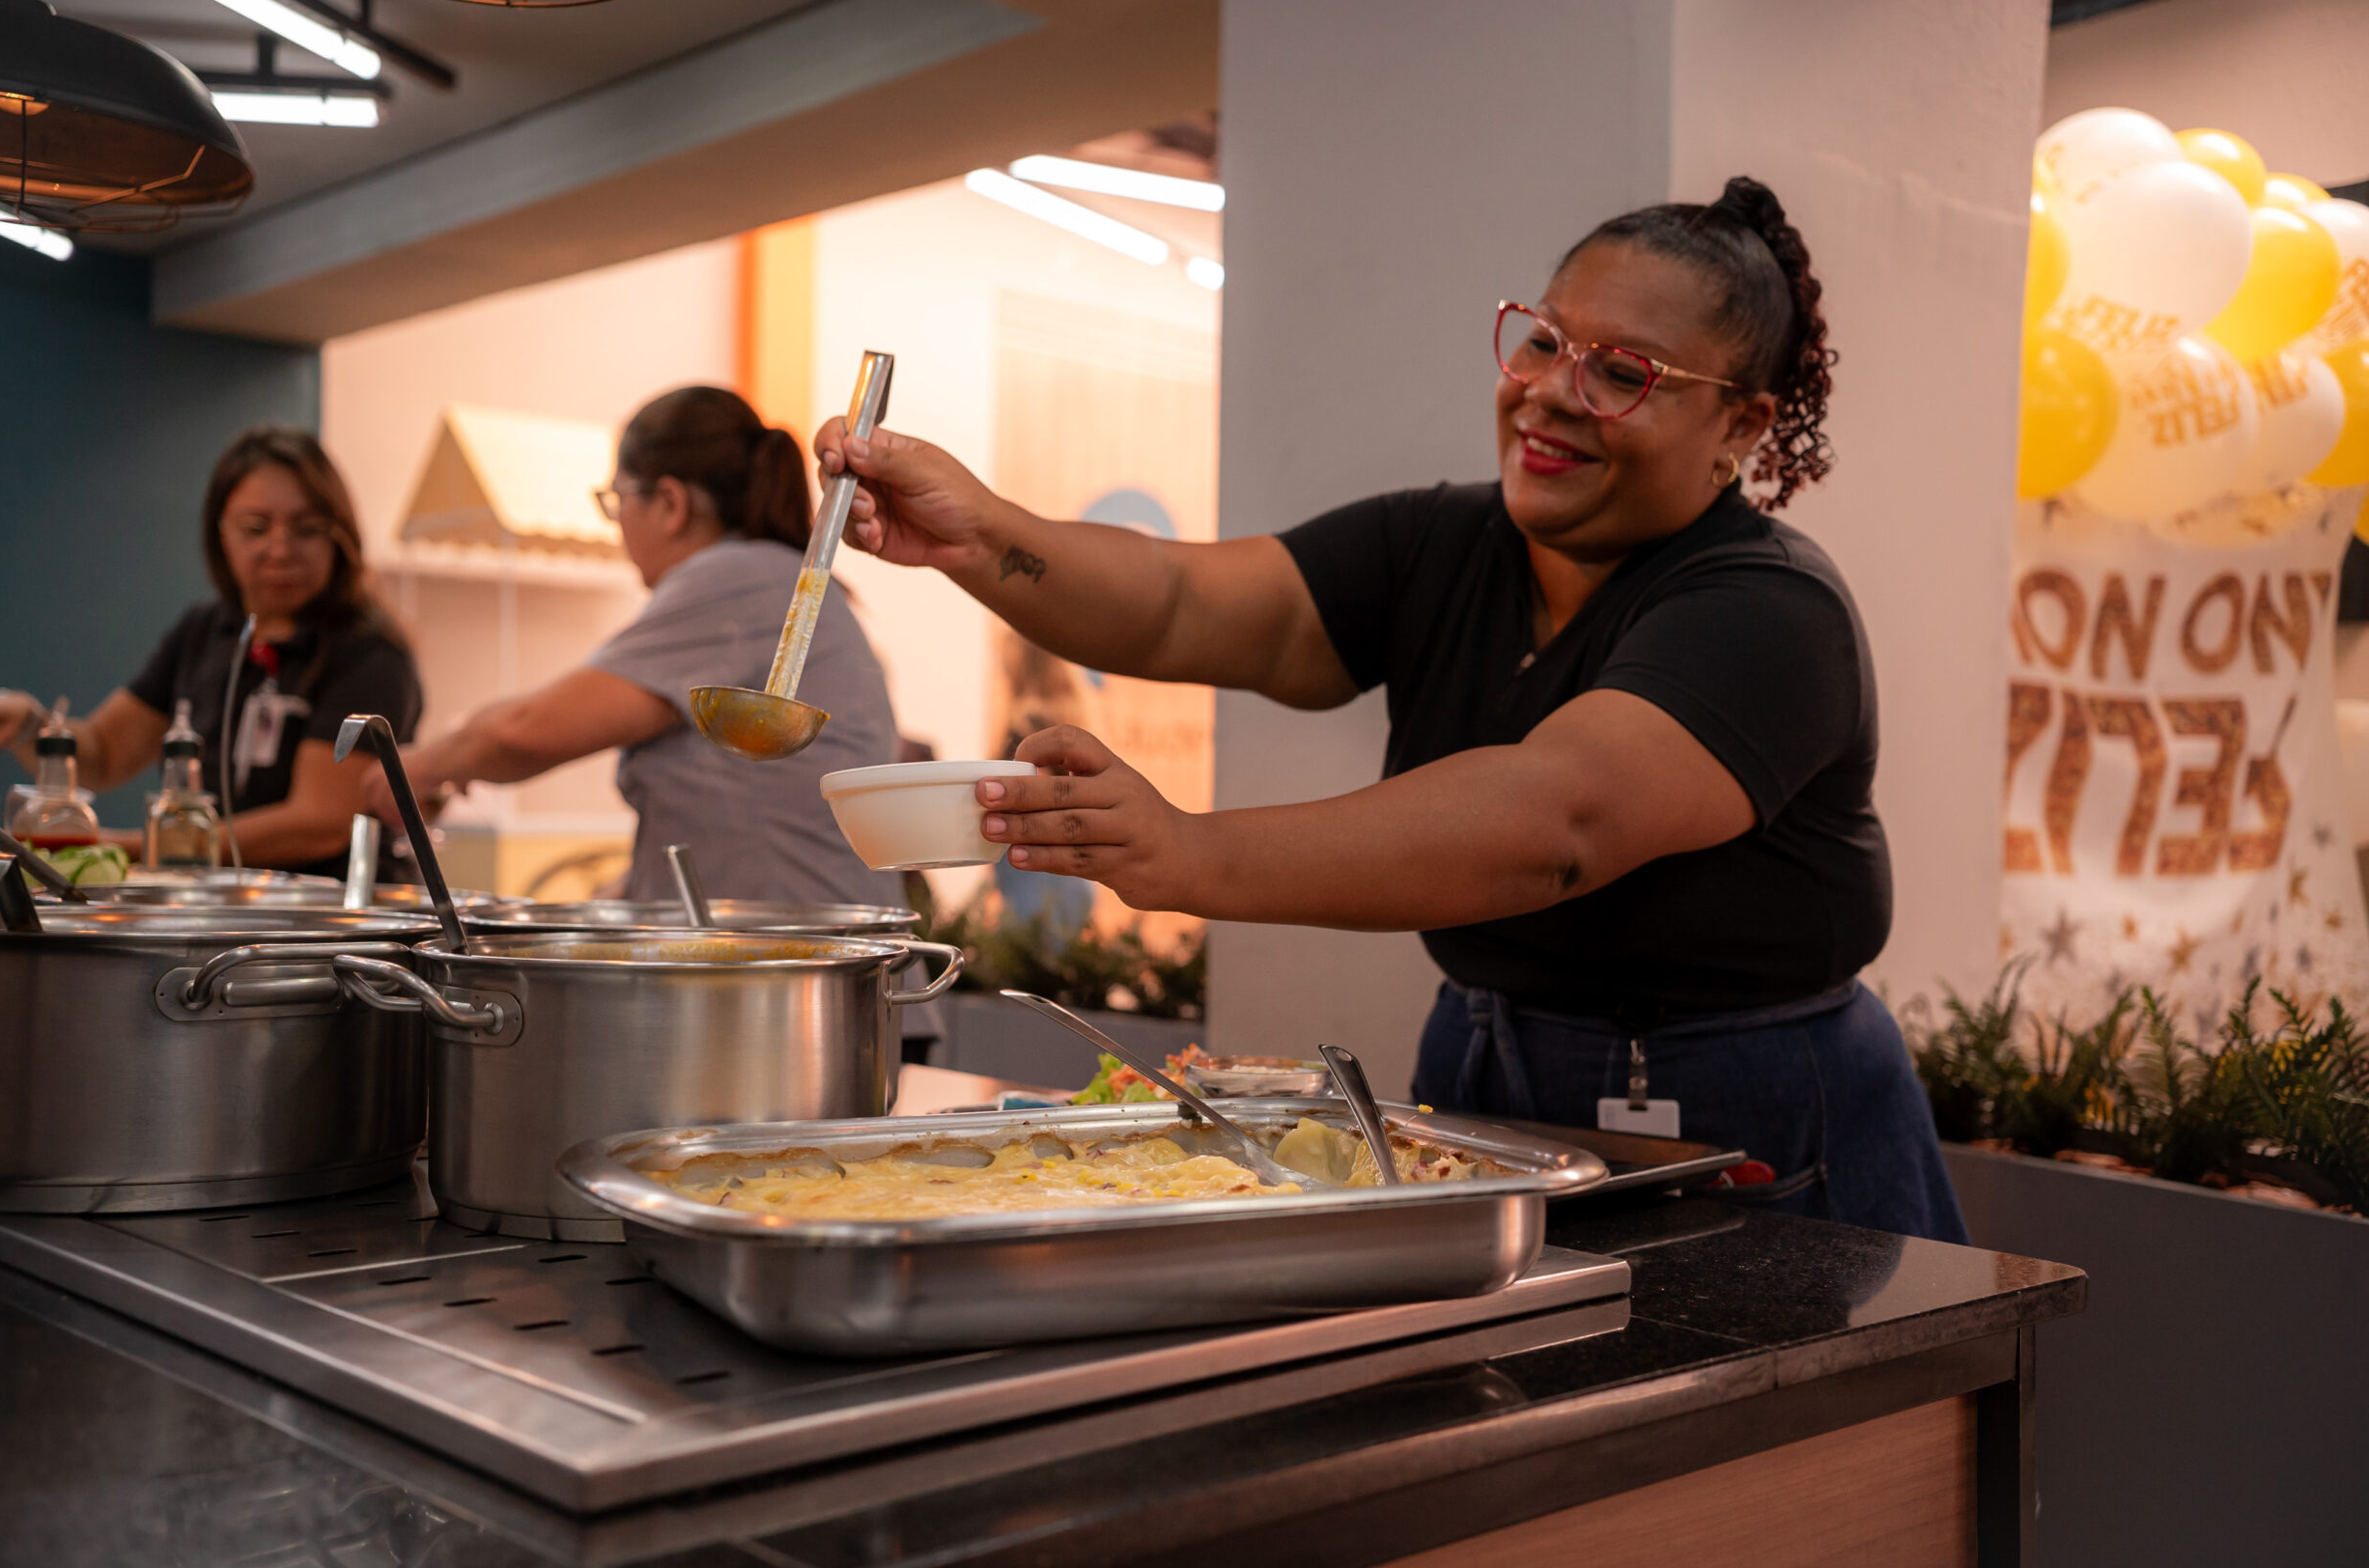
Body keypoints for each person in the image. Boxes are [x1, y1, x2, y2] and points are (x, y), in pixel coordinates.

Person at [809, 177, 1967, 1243]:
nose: (1552, 395)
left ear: (1741, 428)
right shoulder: (1442, 544)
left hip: (1755, 1110)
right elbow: (1178, 605)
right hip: (1484, 1065)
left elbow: (1552, 824)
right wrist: (980, 533)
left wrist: (1187, 854)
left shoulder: (1768, 608)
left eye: (1625, 375)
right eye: (1547, 341)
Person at [369, 385, 902, 908]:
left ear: (670, 503)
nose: (619, 524)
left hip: (793, 964)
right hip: (800, 945)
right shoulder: (773, 579)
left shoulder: (737, 579)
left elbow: (526, 732)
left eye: (617, 501)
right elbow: (743, 810)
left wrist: (415, 766)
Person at [0, 427, 422, 878]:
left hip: (329, 922)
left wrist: (138, 848)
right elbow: (102, 755)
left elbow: (319, 823)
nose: (280, 549)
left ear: (339, 536)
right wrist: (30, 723)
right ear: (222, 533)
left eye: (307, 528)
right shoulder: (204, 632)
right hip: (220, 910)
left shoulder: (369, 655)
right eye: (256, 528)